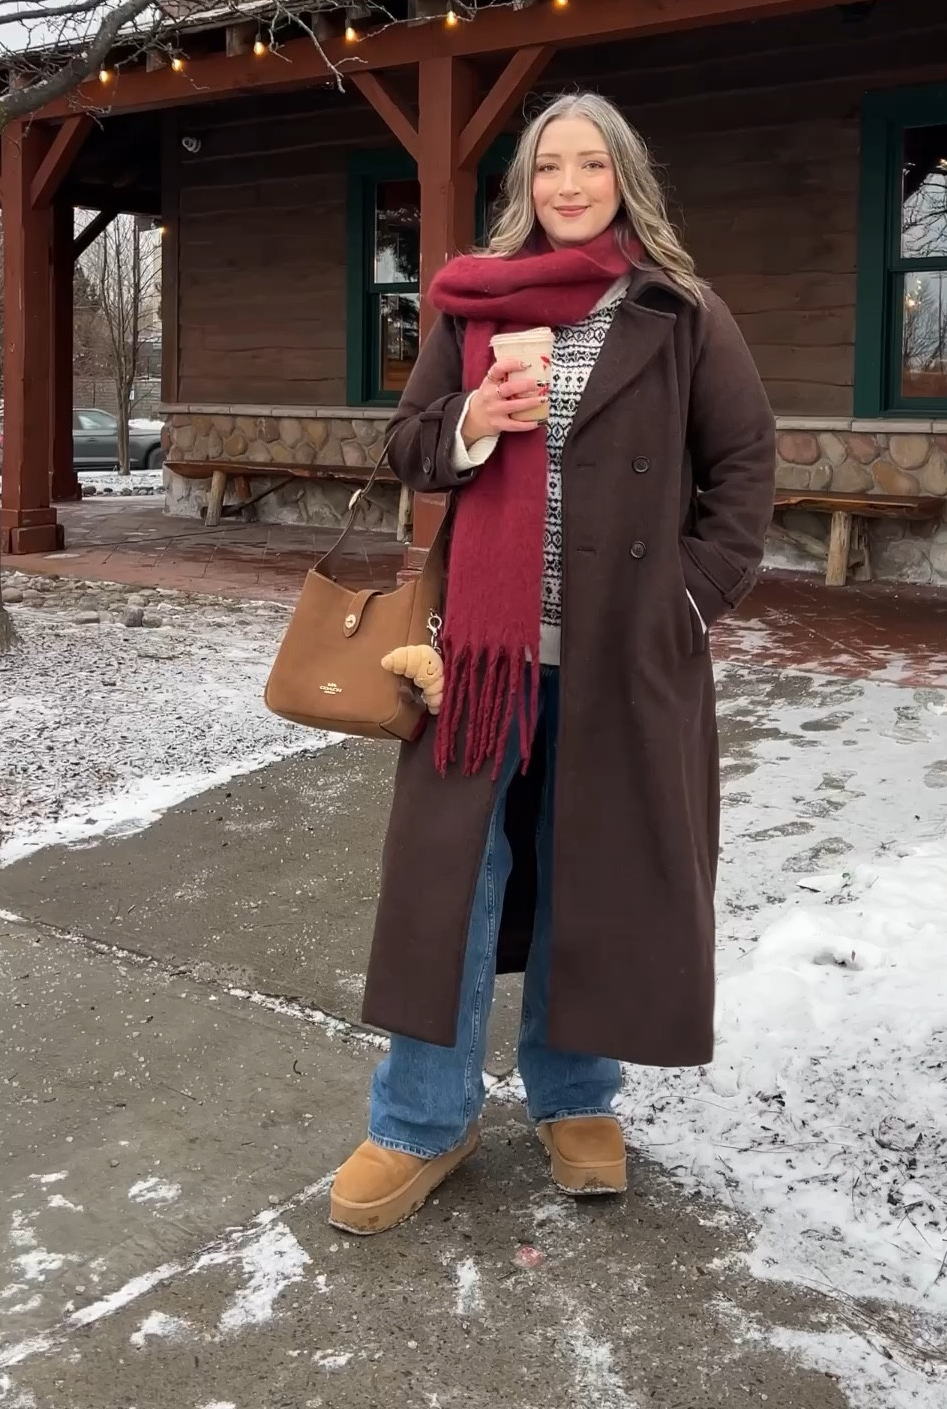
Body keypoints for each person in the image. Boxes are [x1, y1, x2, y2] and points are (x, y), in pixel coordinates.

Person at [329, 91, 776, 1234]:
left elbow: (745, 465)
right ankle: (420, 1120)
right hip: (478, 657)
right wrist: (474, 415)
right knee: (450, 887)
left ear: (625, 177)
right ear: (524, 185)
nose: (569, 186)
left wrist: (690, 596)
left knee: (597, 873)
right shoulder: (473, 304)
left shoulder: (680, 310)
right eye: (548, 168)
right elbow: (412, 446)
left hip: (625, 656)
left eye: (591, 165)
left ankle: (576, 1097)